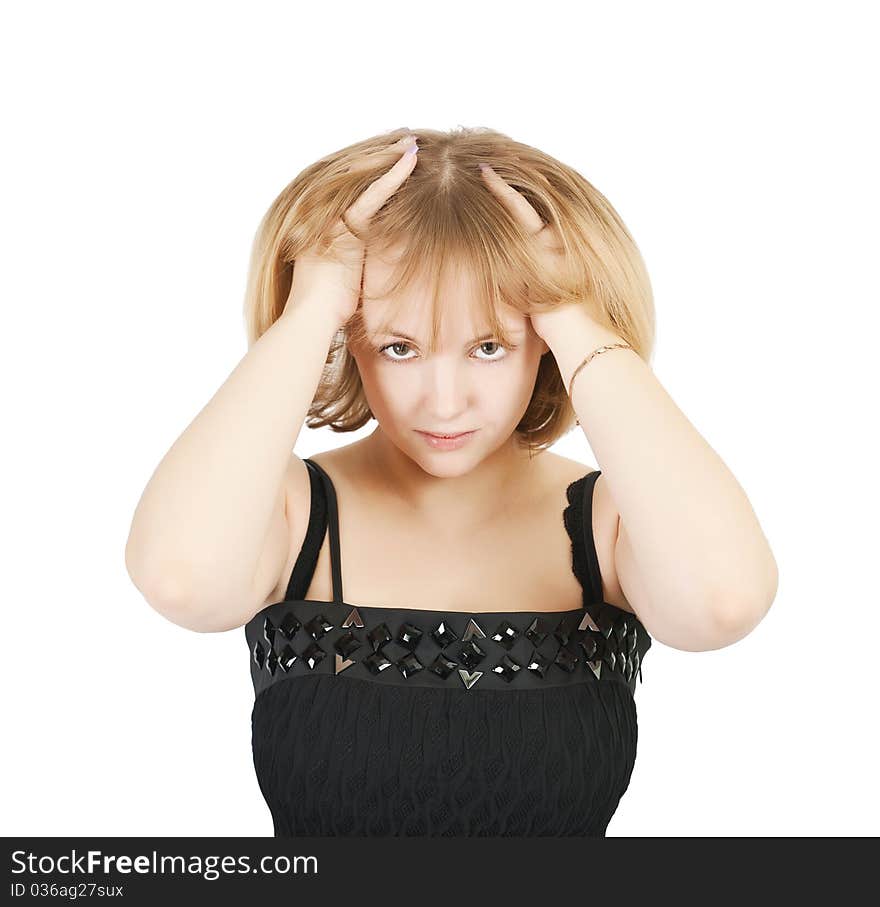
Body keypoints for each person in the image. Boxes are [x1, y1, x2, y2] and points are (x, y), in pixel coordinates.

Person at [124, 127, 778, 836]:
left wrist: (572, 309)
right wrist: (312, 304)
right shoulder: (287, 512)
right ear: (353, 336)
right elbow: (181, 581)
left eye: (489, 346)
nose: (443, 402)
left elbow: (724, 603)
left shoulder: (610, 522)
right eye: (399, 346)